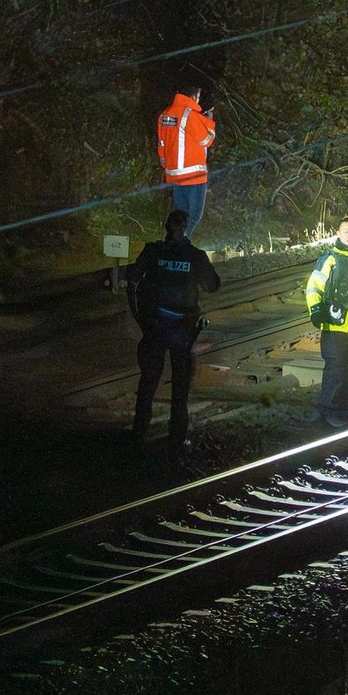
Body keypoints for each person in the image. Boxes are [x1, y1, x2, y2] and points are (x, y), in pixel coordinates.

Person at [126, 209, 221, 456]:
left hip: (154, 326)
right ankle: (177, 441)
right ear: (187, 228)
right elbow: (212, 285)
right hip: (183, 329)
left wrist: (140, 318)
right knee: (180, 388)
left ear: (166, 226)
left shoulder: (153, 251)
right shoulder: (195, 256)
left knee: (148, 383)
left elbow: (132, 281)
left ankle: (137, 436)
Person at [304, 217, 348, 428]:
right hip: (335, 324)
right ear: (338, 233)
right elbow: (314, 286)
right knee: (336, 369)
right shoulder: (330, 259)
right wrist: (316, 310)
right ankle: (329, 414)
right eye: (346, 232)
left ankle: (347, 412)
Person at [155, 85, 216, 238]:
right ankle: (181, 243)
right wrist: (209, 122)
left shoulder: (165, 114)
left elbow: (161, 143)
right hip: (193, 175)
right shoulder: (190, 115)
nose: (198, 100)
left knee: (179, 214)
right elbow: (206, 140)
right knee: (194, 214)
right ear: (193, 97)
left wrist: (165, 165)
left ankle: (171, 242)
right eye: (198, 96)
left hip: (174, 174)